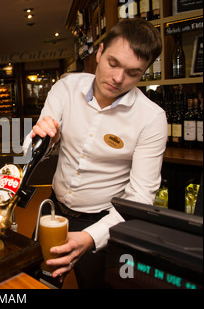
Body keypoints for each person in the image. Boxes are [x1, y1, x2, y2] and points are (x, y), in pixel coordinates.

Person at [28, 18, 167, 288]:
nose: (117, 79)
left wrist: (90, 238)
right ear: (99, 52)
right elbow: (29, 149)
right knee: (36, 282)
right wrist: (44, 140)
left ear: (145, 72)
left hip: (105, 222)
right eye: (113, 63)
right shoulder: (66, 88)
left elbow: (139, 199)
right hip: (54, 210)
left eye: (133, 73)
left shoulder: (151, 119)